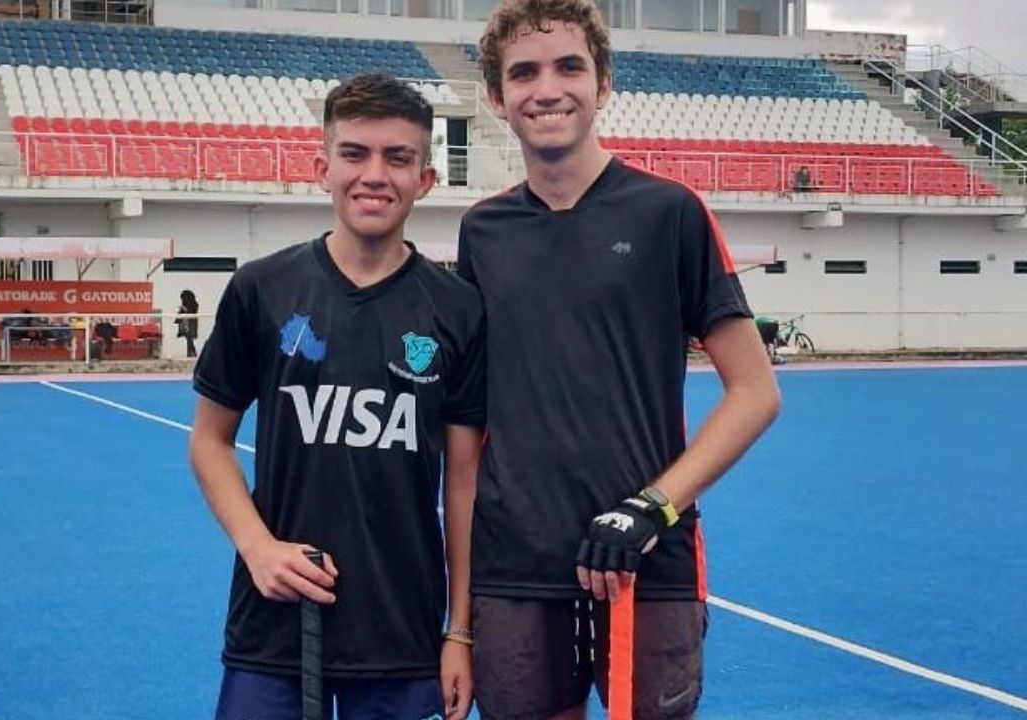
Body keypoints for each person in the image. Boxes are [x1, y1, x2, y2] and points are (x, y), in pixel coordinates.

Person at [458, 1, 782, 718]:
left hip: (647, 560)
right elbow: (469, 415)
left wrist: (651, 507)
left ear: (603, 84)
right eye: (524, 73)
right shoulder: (482, 231)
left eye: (569, 67)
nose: (547, 89)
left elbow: (755, 392)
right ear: (496, 98)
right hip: (516, 566)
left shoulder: (670, 213)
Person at [189, 72, 485, 720]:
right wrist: (257, 547)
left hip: (401, 628)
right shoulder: (261, 289)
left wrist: (460, 632)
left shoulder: (459, 310)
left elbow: (464, 485)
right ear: (322, 168)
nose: (374, 175)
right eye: (355, 154)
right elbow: (209, 440)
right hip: (273, 621)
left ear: (426, 179)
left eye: (397, 158)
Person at [177, 289, 200, 358]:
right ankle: (191, 353)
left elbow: (191, 311)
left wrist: (184, 309)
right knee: (188, 338)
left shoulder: (194, 304)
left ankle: (191, 353)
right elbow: (181, 313)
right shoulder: (185, 303)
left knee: (189, 338)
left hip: (191, 323)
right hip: (185, 323)